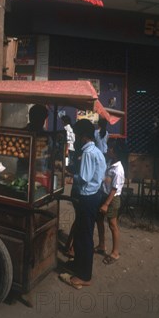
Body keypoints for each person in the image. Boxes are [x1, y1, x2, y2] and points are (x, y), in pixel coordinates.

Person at [59, 118, 106, 289]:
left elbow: (84, 178)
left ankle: (85, 276)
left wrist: (67, 174)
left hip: (88, 197)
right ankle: (78, 265)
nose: (77, 138)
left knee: (85, 237)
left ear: (84, 136)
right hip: (94, 196)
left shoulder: (87, 153)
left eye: (78, 135)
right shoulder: (96, 150)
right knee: (80, 233)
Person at [95, 138, 126, 264]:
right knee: (99, 221)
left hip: (112, 199)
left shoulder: (118, 169)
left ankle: (115, 252)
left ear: (115, 152)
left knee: (113, 225)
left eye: (109, 149)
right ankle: (102, 245)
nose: (107, 150)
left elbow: (114, 189)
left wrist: (106, 204)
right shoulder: (110, 162)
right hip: (104, 195)